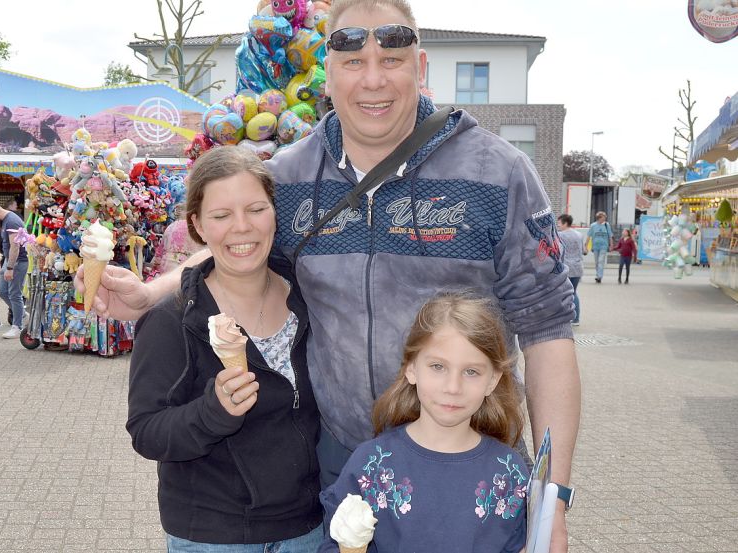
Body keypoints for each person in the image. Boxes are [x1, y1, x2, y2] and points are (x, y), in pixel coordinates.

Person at [80, 1, 580, 550]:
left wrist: (553, 496)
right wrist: (151, 292)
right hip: (342, 464)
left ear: (422, 66)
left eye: (391, 58)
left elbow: (548, 332)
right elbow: (239, 243)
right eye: (352, 61)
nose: (372, 79)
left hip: (469, 464)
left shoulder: (499, 173)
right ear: (328, 70)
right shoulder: (290, 175)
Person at [127, 147, 322, 552]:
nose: (242, 228)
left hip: (307, 528)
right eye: (221, 215)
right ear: (197, 224)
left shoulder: (311, 300)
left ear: (274, 212)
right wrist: (211, 413)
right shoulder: (172, 321)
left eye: (256, 209)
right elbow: (146, 432)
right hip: (215, 536)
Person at [319, 292, 528, 553]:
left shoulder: (509, 473)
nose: (453, 387)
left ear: (493, 380)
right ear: (411, 368)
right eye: (438, 367)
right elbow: (335, 542)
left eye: (471, 371)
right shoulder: (371, 464)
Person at [0, 200, 28, 339]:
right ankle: (22, 314)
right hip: (9, 261)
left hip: (17, 262)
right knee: (2, 291)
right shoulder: (5, 221)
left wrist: (10, 268)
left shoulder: (12, 221)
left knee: (15, 294)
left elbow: (15, 247)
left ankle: (17, 326)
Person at [146, 203, 203, 279]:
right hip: (186, 266)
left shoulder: (170, 227)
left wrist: (155, 266)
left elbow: (160, 252)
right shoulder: (195, 228)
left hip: (166, 266)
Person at [557, 214, 586, 326]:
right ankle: (576, 318)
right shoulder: (579, 234)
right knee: (574, 293)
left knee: (564, 294)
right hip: (578, 267)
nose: (558, 226)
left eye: (559, 223)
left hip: (567, 267)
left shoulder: (560, 235)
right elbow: (583, 250)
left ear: (565, 223)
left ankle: (566, 317)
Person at [587, 211, 614, 283]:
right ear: (599, 218)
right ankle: (598, 275)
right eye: (603, 217)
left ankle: (599, 276)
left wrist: (611, 245)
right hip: (595, 246)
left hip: (604, 246)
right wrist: (586, 245)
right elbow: (589, 236)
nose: (605, 218)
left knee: (601, 261)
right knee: (596, 262)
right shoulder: (593, 225)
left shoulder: (606, 225)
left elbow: (610, 235)